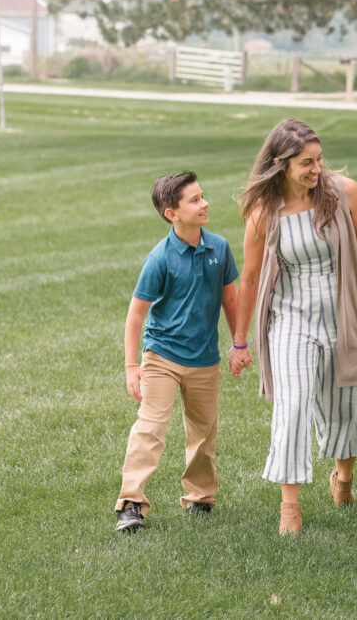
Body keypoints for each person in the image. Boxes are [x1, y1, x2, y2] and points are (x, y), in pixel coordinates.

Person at [230, 119, 357, 535]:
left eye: (319, 159)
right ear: (280, 163)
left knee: (347, 407)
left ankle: (342, 478)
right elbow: (250, 279)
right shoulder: (263, 214)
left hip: (343, 314)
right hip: (290, 319)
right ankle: (290, 507)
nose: (317, 169)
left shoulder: (345, 194)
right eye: (307, 162)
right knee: (293, 405)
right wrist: (239, 341)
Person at [115, 171, 239, 533]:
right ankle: (131, 503)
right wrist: (131, 365)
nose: (205, 204)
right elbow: (136, 312)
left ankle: (200, 498)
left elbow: (230, 299)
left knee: (203, 432)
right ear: (172, 213)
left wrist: (239, 343)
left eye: (203, 196)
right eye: (195, 200)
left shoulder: (219, 248)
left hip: (205, 359)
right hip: (163, 356)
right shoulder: (160, 258)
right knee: (150, 428)